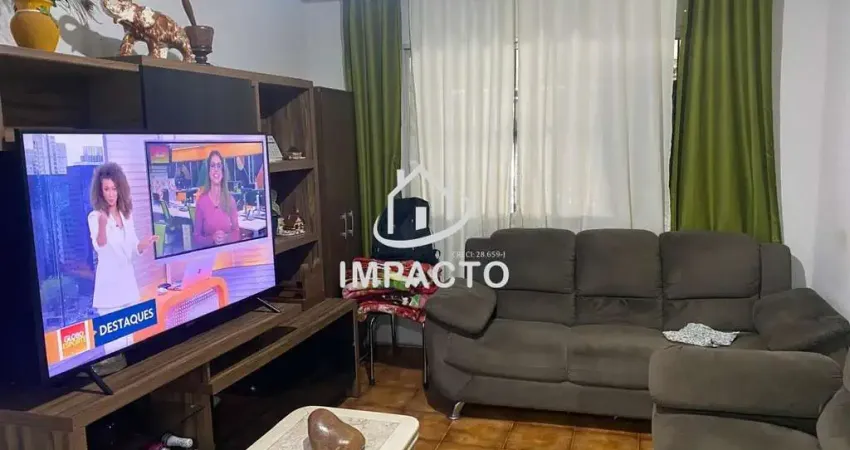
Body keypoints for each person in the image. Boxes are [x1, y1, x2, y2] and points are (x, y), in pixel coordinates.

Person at [88, 163, 158, 315]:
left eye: (114, 189)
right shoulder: (95, 217)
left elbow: (133, 248)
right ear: (100, 192)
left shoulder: (126, 215)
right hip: (109, 294)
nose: (111, 194)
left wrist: (143, 245)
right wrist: (102, 225)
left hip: (129, 289)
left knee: (136, 331)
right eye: (106, 189)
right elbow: (100, 247)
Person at [192, 150, 241, 248]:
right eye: (212, 166)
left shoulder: (230, 201)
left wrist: (227, 238)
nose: (216, 170)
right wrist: (212, 239)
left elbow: (237, 233)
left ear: (223, 171)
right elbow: (196, 238)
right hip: (209, 254)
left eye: (219, 166)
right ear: (208, 171)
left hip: (228, 253)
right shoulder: (201, 202)